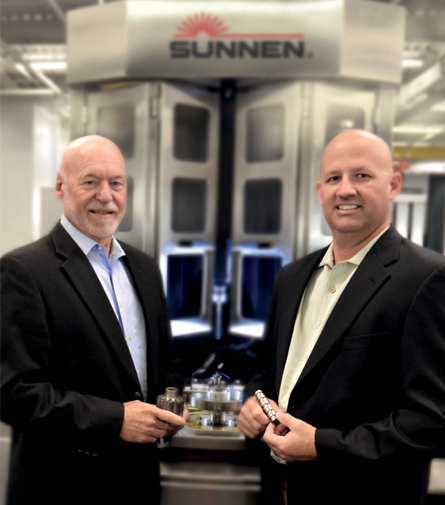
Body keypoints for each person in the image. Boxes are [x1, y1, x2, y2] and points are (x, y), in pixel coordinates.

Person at [237, 129, 445, 505]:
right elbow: (264, 370)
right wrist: (254, 401)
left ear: (393, 185)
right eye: (334, 178)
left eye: (361, 175)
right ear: (320, 192)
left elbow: (429, 421)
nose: (345, 190)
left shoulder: (427, 278)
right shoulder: (292, 277)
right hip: (279, 488)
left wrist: (321, 445)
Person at [1, 135, 189, 505]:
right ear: (61, 186)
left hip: (138, 482)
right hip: (63, 486)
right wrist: (116, 419)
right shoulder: (23, 271)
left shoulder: (144, 268)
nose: (106, 195)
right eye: (90, 181)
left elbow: (166, 360)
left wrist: (172, 400)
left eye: (116, 183)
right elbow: (14, 393)